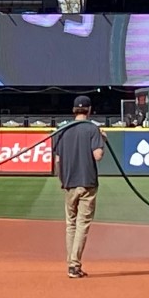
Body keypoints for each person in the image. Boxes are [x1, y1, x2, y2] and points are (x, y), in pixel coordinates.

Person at [52, 95, 104, 279]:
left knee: (70, 225)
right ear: (89, 109)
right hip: (87, 182)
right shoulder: (92, 128)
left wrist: (62, 180)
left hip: (69, 182)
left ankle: (72, 263)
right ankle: (74, 265)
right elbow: (98, 155)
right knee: (82, 224)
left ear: (74, 110)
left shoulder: (61, 129)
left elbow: (58, 160)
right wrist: (102, 139)